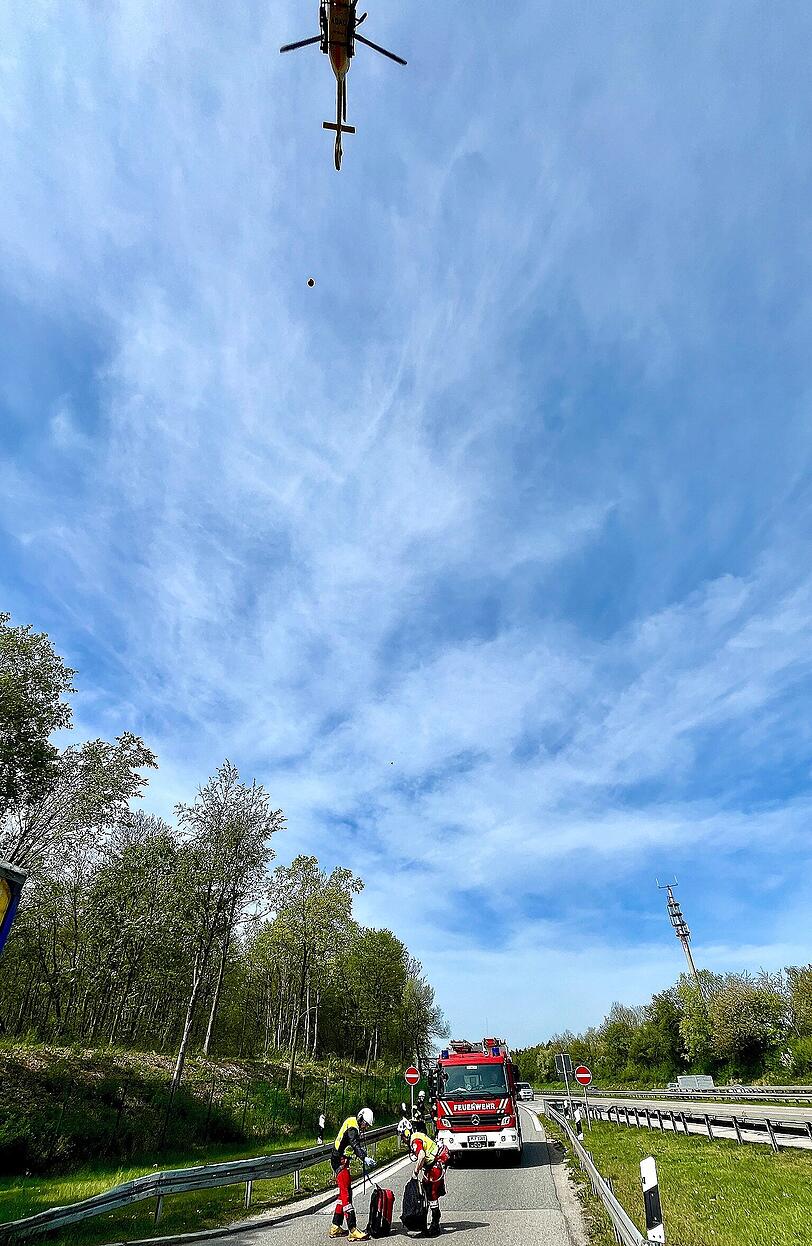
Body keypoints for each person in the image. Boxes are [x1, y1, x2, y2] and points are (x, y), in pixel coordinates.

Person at [329, 1107, 376, 1240]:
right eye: (365, 1124)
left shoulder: (352, 1122)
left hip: (339, 1160)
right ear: (360, 1119)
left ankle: (335, 1226)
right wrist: (364, 1158)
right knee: (346, 1196)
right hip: (340, 1162)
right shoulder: (353, 1129)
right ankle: (353, 1229)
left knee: (343, 1195)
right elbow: (355, 1145)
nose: (365, 1127)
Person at [398, 1120, 448, 1237]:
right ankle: (430, 1222)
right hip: (434, 1165)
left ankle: (435, 1223)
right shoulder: (416, 1136)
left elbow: (421, 1156)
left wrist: (415, 1172)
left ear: (406, 1133)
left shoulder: (415, 1141)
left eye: (402, 1136)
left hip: (434, 1166)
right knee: (427, 1190)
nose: (402, 1140)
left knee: (431, 1193)